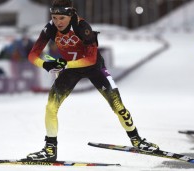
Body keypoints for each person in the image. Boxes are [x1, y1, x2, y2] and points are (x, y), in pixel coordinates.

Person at [26, 0, 159, 161]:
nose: (57, 22)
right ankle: (50, 149)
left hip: (94, 68)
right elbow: (32, 54)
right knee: (51, 107)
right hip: (70, 69)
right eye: (54, 17)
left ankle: (137, 140)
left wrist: (65, 64)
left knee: (118, 106)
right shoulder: (50, 28)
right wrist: (45, 64)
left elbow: (90, 59)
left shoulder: (82, 27)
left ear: (71, 14)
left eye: (61, 18)